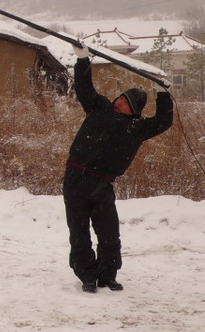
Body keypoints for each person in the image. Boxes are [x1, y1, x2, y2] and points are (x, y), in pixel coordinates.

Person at [63, 43, 173, 293]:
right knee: (79, 232)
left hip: (103, 183)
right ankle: (87, 276)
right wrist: (82, 60)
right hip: (76, 177)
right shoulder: (98, 108)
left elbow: (164, 121)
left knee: (109, 234)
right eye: (120, 98)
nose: (119, 102)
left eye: (125, 102)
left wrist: (163, 94)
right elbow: (84, 88)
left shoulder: (138, 128)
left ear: (134, 110)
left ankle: (107, 275)